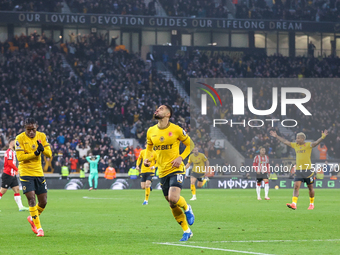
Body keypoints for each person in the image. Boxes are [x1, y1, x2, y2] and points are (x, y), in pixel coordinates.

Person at [144, 105, 195, 241]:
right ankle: (187, 231)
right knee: (171, 203)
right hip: (162, 171)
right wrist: (146, 159)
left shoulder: (176, 130)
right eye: (157, 108)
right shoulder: (151, 131)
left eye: (161, 108)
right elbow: (149, 148)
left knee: (173, 198)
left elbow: (191, 144)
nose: (157, 110)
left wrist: (181, 157)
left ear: (168, 114)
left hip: (176, 168)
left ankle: (187, 207)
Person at [270, 130, 328, 210]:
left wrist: (322, 137)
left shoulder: (308, 145)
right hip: (298, 170)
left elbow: (316, 143)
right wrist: (277, 136)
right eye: (296, 138)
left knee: (310, 187)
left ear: (303, 139)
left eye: (298, 138)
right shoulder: (295, 145)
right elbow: (286, 142)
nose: (296, 139)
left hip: (308, 171)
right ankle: (294, 204)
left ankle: (311, 204)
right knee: (296, 187)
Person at [15, 118, 52, 237]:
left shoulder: (42, 136)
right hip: (25, 173)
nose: (31, 132)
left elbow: (49, 154)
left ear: (37, 127)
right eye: (28, 130)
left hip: (39, 173)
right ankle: (39, 228)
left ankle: (32, 218)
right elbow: (20, 157)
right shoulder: (19, 138)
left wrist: (43, 150)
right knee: (31, 199)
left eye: (33, 129)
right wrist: (35, 153)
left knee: (43, 202)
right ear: (24, 128)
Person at [0, 137, 29, 211]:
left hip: (12, 175)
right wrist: (17, 169)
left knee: (17, 189)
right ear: (11, 143)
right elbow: (9, 163)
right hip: (7, 174)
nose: (16, 144)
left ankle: (21, 207)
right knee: (2, 191)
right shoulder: (9, 152)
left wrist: (15, 171)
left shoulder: (12, 152)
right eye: (15, 142)